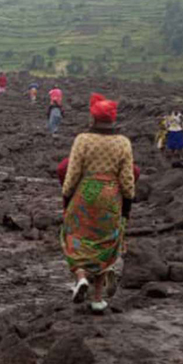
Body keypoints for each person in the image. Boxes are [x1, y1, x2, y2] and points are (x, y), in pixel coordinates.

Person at [61, 94, 135, 314]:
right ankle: (97, 298)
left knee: (74, 235)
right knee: (105, 243)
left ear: (92, 118)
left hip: (87, 191)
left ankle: (81, 277)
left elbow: (72, 173)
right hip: (111, 195)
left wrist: (66, 198)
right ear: (113, 119)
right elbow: (128, 181)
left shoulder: (83, 140)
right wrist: (126, 207)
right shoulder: (123, 143)